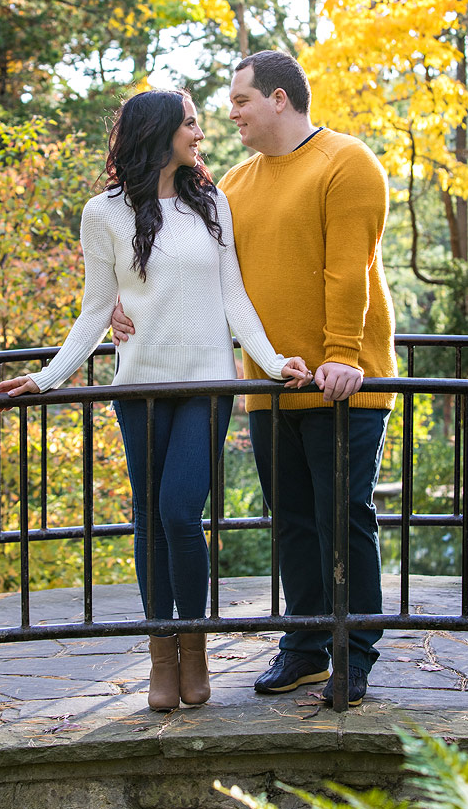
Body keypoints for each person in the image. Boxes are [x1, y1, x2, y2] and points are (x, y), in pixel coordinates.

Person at [0, 89, 310, 713]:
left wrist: (273, 364)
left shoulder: (211, 202)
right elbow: (92, 310)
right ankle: (162, 654)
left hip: (207, 387)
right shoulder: (103, 213)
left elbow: (233, 298)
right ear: (159, 133)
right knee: (149, 522)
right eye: (190, 124)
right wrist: (46, 379)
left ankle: (197, 649)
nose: (200, 133)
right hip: (138, 389)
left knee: (180, 512)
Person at [113, 52, 397, 707]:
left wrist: (341, 355)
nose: (229, 113)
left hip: (343, 380)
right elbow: (190, 266)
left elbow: (345, 271)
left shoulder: (345, 162)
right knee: (292, 520)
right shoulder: (234, 185)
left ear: (276, 98)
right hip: (272, 385)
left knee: (342, 518)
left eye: (239, 100)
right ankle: (302, 648)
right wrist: (124, 302)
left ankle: (353, 653)